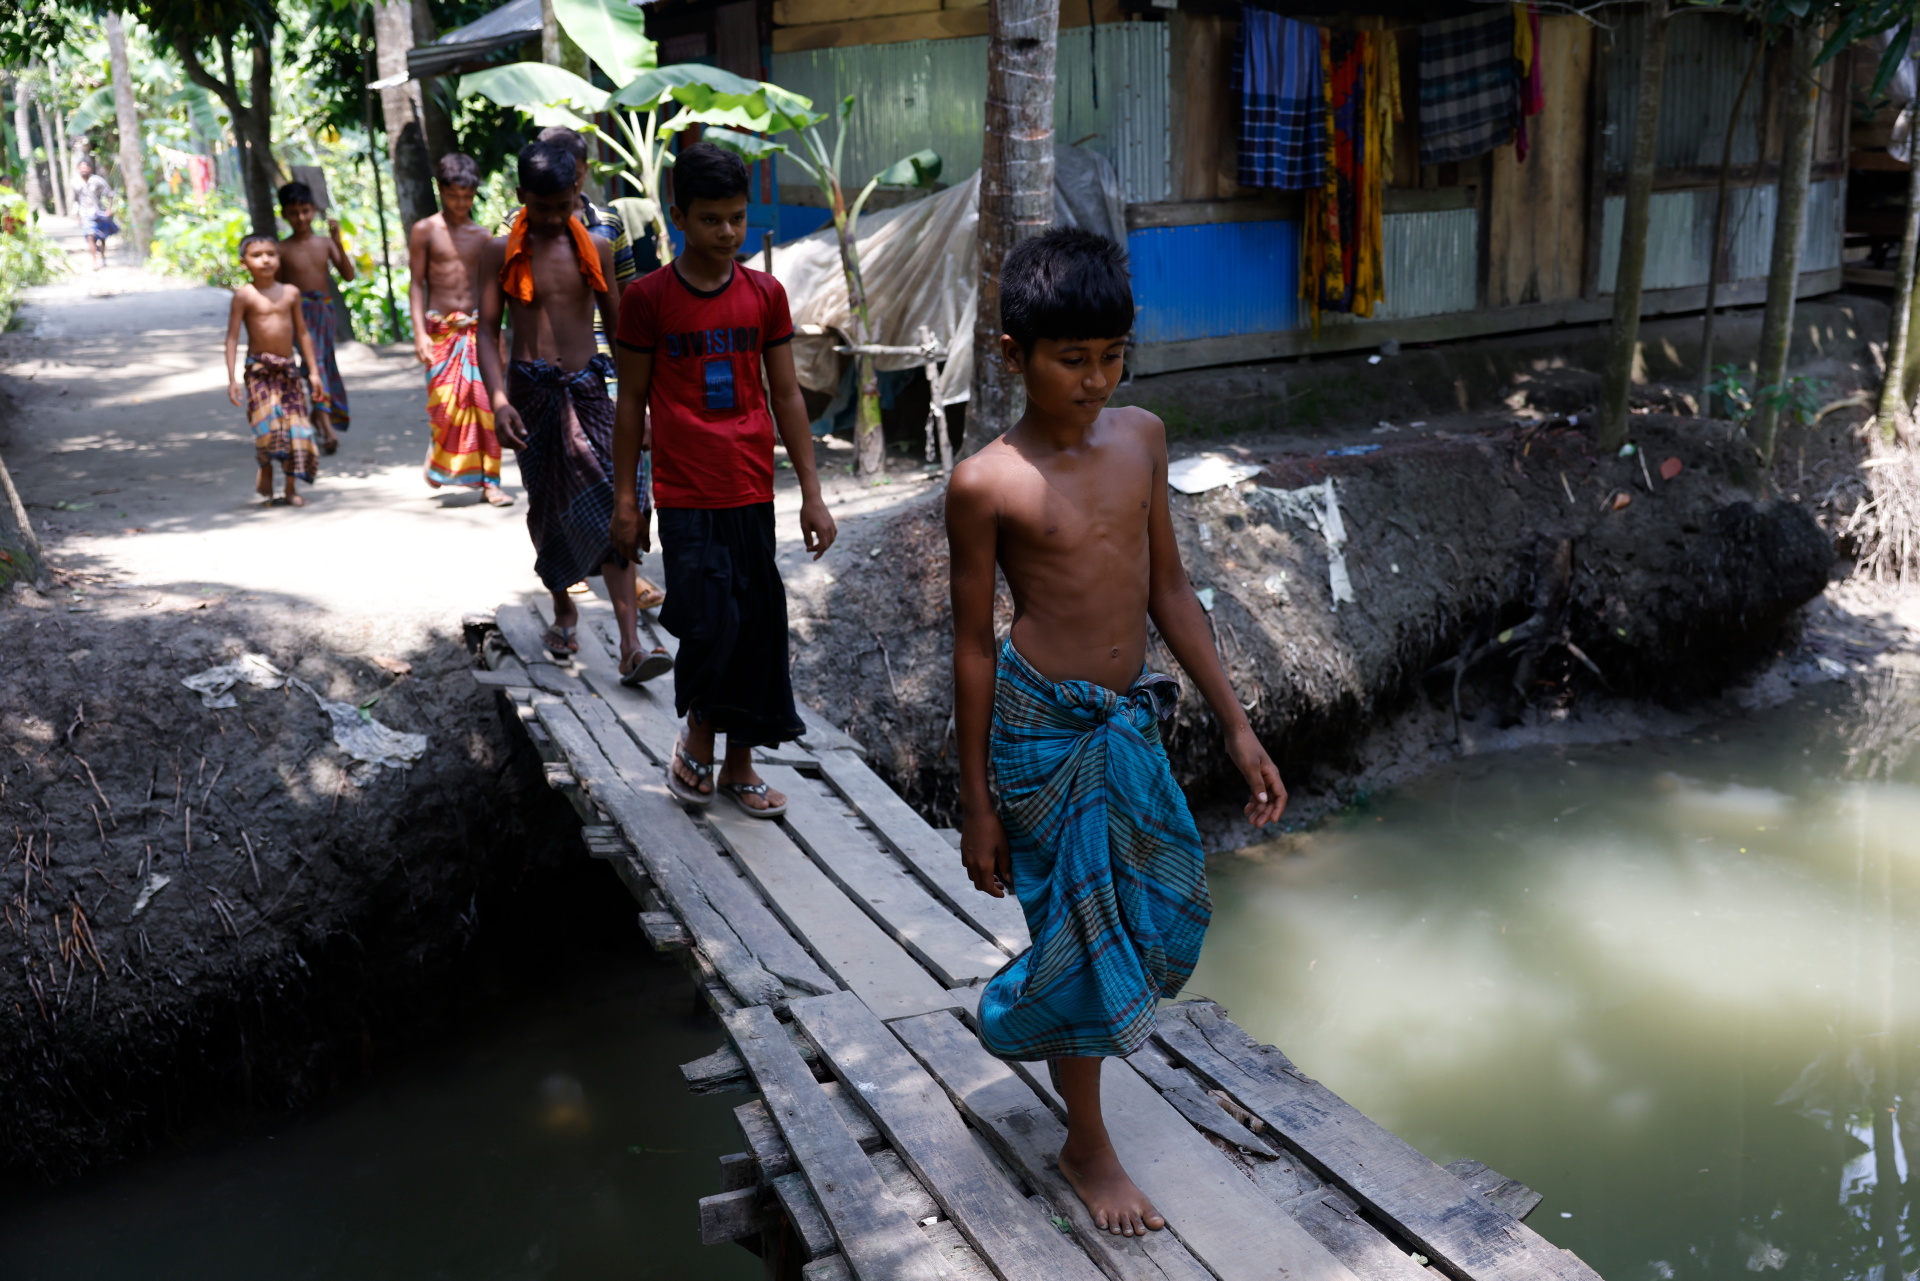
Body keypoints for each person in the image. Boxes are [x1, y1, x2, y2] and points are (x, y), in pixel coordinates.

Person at [944, 228, 1288, 1236]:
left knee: (1135, 911)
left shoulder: (1142, 437)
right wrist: (976, 802)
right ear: (1014, 355)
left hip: (1126, 722)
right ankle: (1087, 1142)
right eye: (1071, 360)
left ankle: (1065, 1058)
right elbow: (972, 645)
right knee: (1080, 931)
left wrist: (1236, 724)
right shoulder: (987, 482)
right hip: (1042, 733)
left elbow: (1169, 589)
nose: (1095, 381)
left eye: (1112, 356)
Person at [608, 143, 836, 818]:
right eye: (712, 219)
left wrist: (813, 494)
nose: (728, 232)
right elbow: (630, 404)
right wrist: (627, 501)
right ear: (678, 216)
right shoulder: (647, 300)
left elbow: (787, 395)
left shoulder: (765, 294)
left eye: (737, 217)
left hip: (752, 487)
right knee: (710, 623)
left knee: (757, 626)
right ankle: (697, 738)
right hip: (685, 492)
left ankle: (740, 765)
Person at [477, 141, 666, 685]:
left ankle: (631, 646)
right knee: (548, 507)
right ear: (521, 197)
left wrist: (642, 407)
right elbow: (487, 332)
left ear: (577, 192)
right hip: (531, 393)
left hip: (587, 387)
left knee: (618, 500)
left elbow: (624, 334)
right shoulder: (498, 251)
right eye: (542, 208)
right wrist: (498, 400)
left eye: (564, 206)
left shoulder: (597, 247)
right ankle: (563, 607)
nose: (555, 218)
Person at [410, 152, 512, 507]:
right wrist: (419, 333)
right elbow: (416, 284)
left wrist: (498, 339)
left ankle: (491, 482)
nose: (460, 203)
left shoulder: (483, 236)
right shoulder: (425, 231)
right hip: (440, 332)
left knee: (486, 405)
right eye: (454, 195)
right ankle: (440, 457)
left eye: (467, 197)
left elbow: (492, 292)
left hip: (476, 332)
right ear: (441, 190)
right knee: (444, 407)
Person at [225, 234, 326, 508]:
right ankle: (266, 465)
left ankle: (291, 488)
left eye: (271, 253)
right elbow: (232, 337)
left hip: (288, 371)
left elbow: (302, 333)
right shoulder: (244, 296)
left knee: (296, 430)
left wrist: (313, 372)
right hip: (259, 371)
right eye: (257, 255)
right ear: (244, 262)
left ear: (279, 258)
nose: (265, 260)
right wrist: (232, 379)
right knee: (266, 427)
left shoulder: (290, 293)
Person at [275, 180, 355, 455]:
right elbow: (276, 289)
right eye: (294, 213)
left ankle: (318, 416)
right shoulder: (281, 249)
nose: (301, 218)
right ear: (284, 214)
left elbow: (348, 275)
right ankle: (326, 425)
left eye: (305, 211)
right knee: (315, 364)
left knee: (321, 363)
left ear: (313, 210)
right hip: (297, 315)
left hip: (324, 313)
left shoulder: (325, 244)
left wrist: (338, 242)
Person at [72, 158, 115, 271]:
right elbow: (75, 199)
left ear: (90, 168)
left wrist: (109, 209)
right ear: (78, 169)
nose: (84, 169)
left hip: (99, 212)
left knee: (102, 237)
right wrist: (77, 214)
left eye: (86, 167)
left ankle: (102, 256)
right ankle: (94, 261)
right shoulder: (75, 183)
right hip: (85, 213)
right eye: (82, 167)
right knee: (90, 236)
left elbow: (110, 194)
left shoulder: (98, 181)